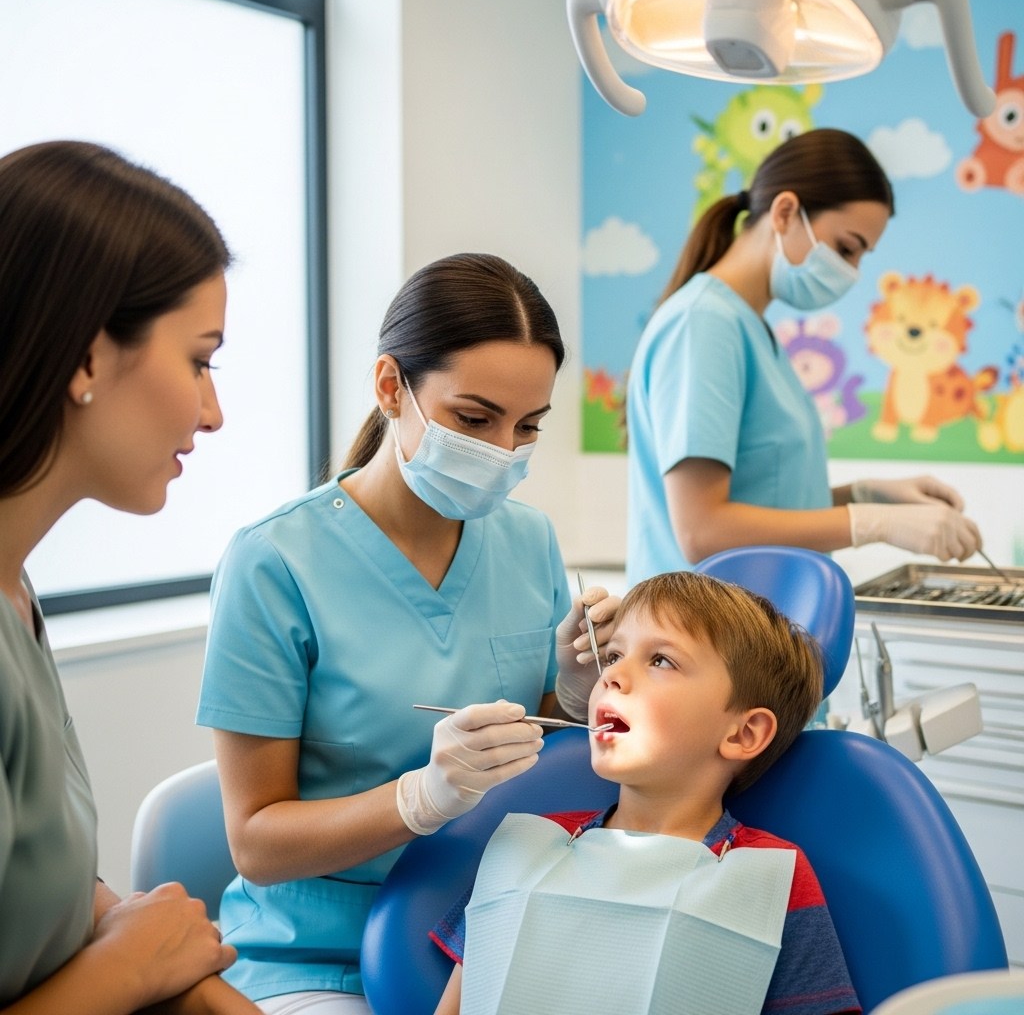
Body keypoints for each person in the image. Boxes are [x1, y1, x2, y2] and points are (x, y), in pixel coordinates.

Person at [196, 253, 617, 1013]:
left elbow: (544, 743)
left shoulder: (529, 540)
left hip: (493, 927)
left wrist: (580, 694)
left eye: (528, 427)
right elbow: (256, 843)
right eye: (473, 418)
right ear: (392, 386)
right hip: (322, 959)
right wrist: (422, 798)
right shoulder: (275, 562)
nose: (502, 451)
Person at [0, 141, 259, 1014]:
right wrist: (131, 966)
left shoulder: (15, 594)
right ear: (85, 357)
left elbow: (36, 891)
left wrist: (160, 951)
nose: (212, 412)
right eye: (199, 359)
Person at [430, 570, 860, 1015]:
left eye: (661, 661)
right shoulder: (528, 846)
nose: (613, 676)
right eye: (613, 655)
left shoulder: (768, 878)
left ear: (744, 732)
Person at [626, 127, 982, 586]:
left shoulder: (749, 328)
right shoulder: (705, 324)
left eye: (860, 256)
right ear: (786, 212)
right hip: (695, 639)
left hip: (754, 632)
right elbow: (704, 529)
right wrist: (873, 522)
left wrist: (868, 494)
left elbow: (769, 502)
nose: (852, 272)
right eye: (846, 248)